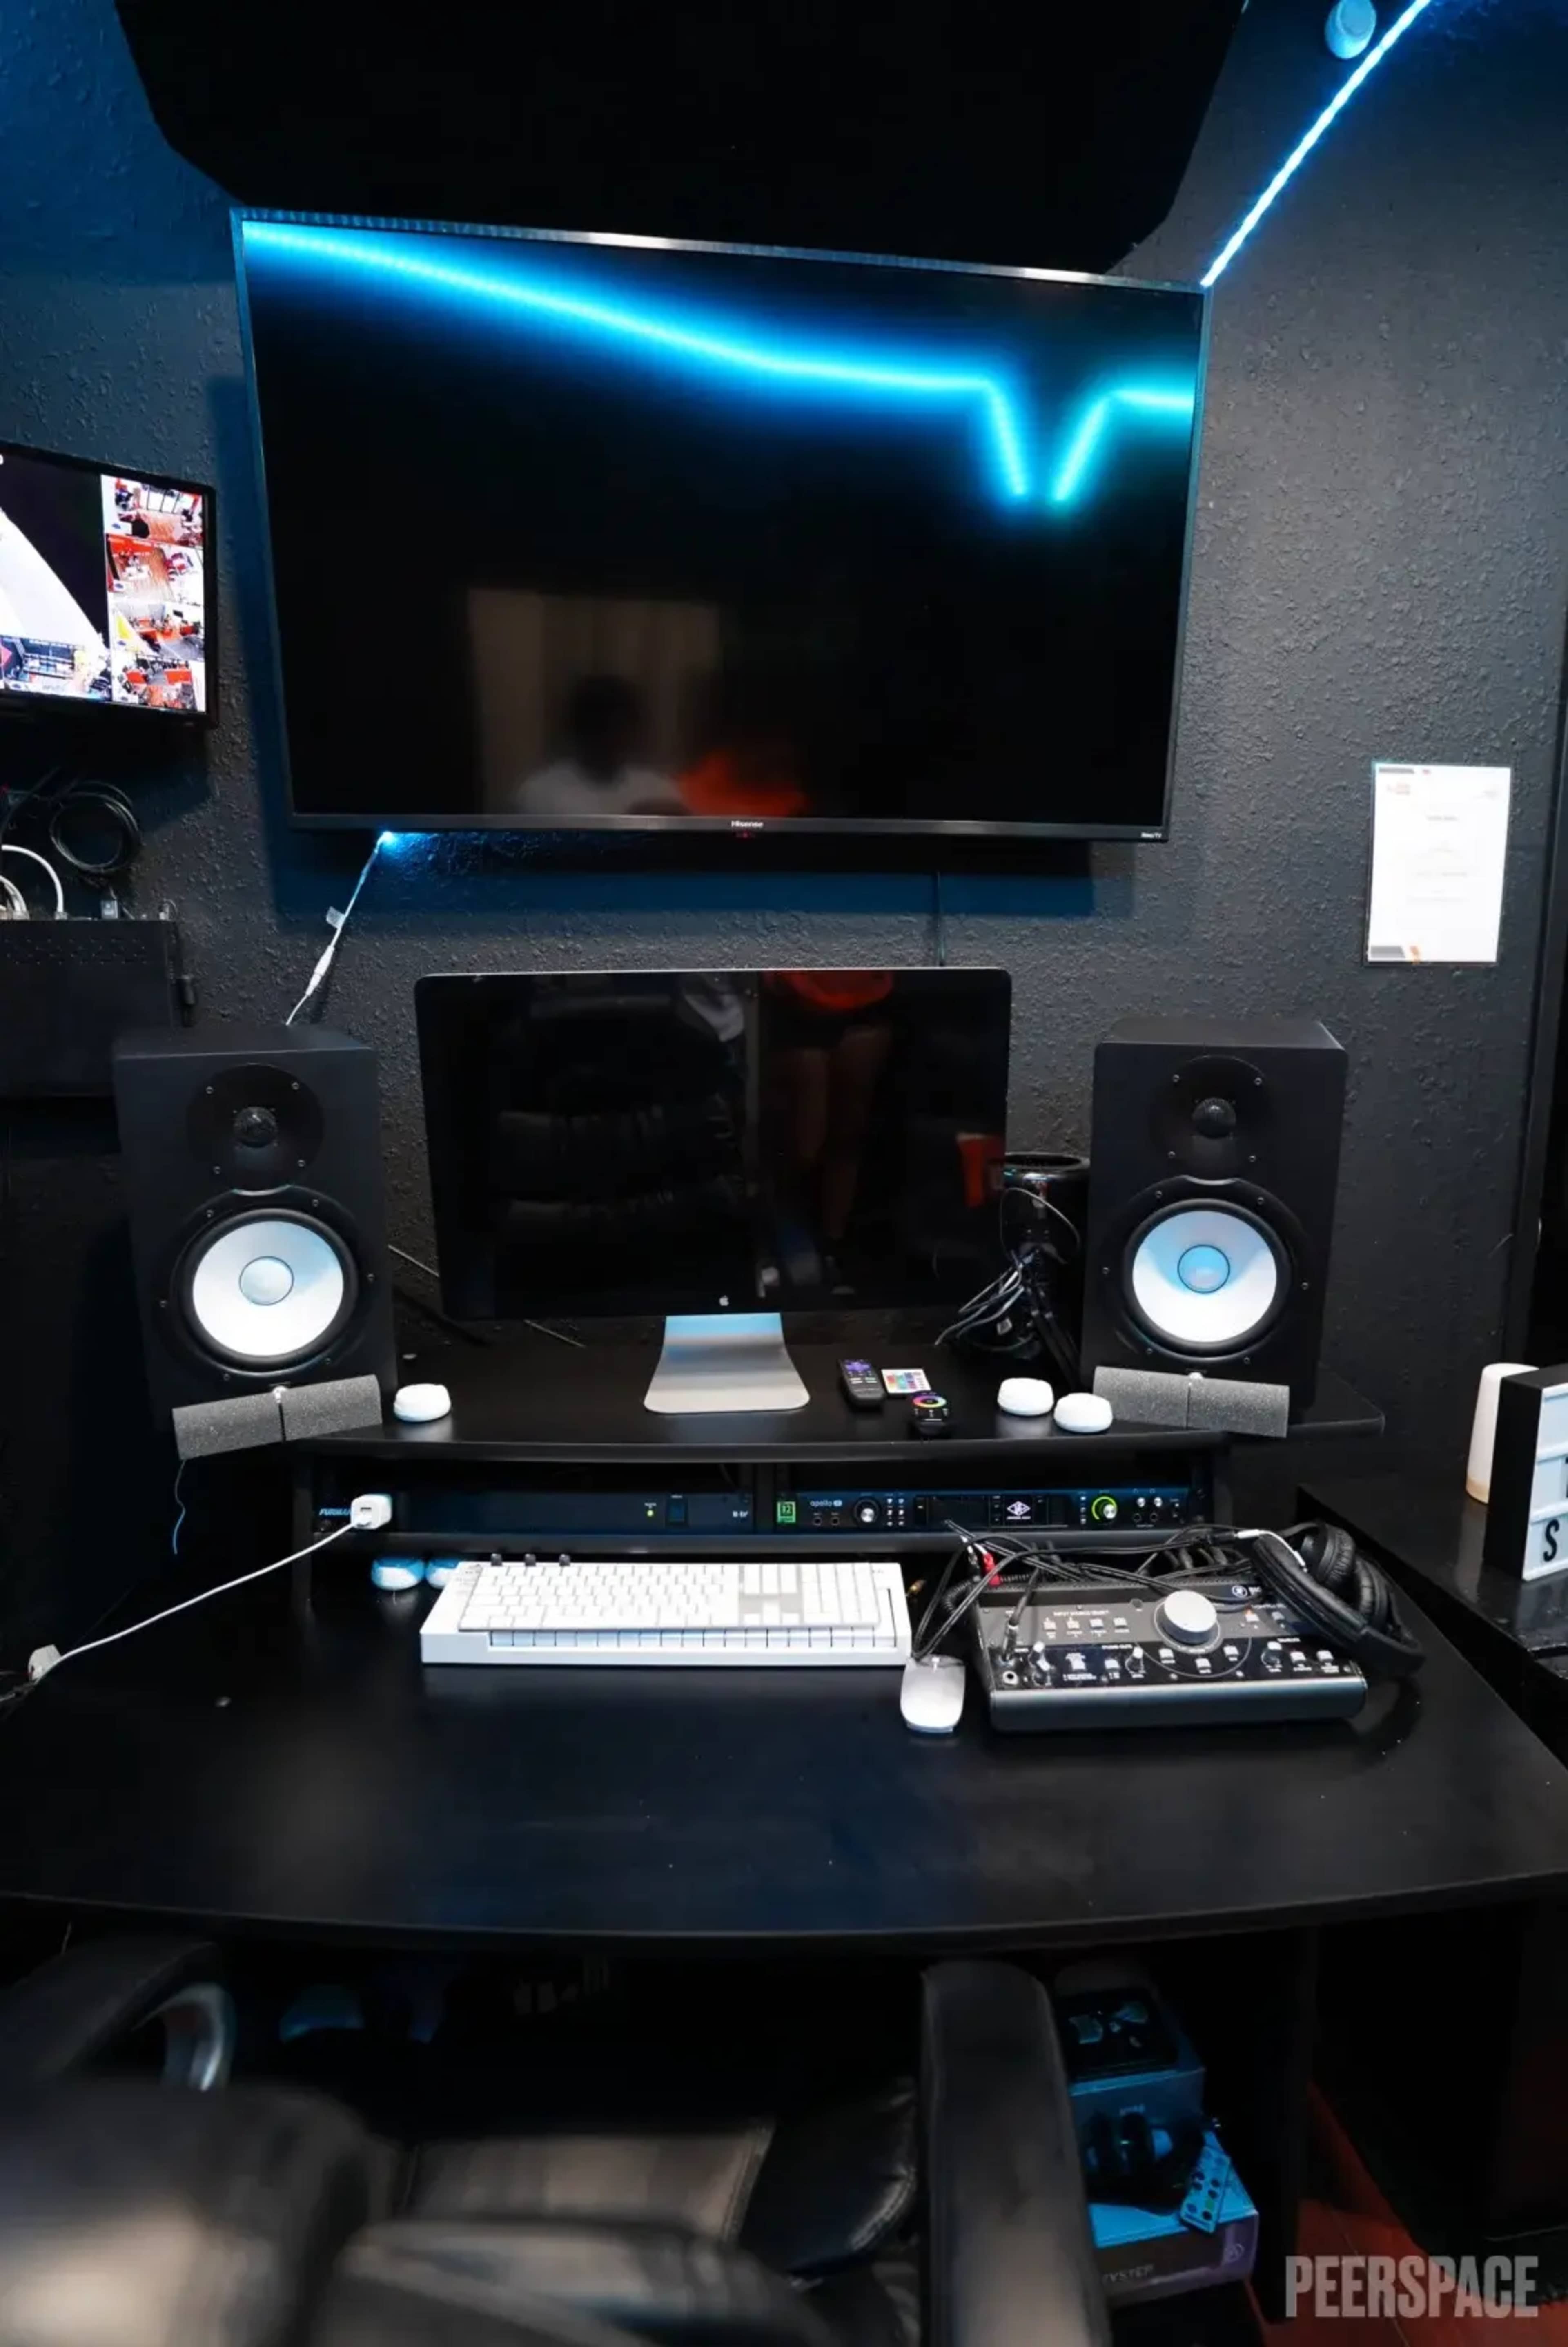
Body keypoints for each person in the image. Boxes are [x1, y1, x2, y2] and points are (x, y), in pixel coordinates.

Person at [514, 676, 682, 817]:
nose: (613, 738)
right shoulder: (540, 793)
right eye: (601, 727)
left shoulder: (659, 791)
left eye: (621, 728)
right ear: (579, 730)